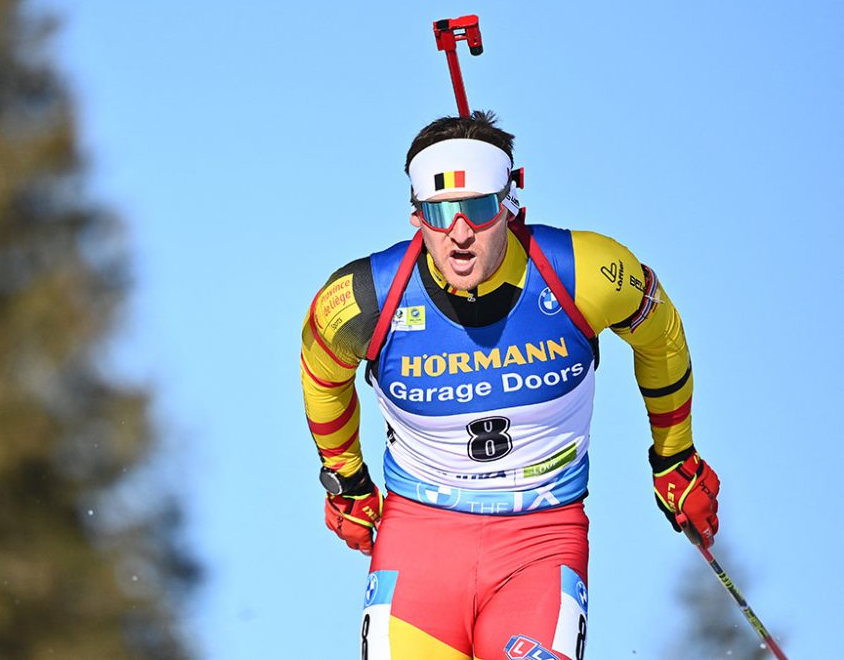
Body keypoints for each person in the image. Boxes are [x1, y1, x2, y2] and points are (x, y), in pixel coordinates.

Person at [299, 111, 720, 660]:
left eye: (477, 208)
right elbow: (321, 371)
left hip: (541, 544)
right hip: (420, 544)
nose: (459, 233)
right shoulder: (366, 296)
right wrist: (346, 476)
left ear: (509, 202)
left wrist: (675, 455)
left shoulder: (585, 270)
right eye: (439, 211)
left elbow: (660, 334)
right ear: (415, 215)